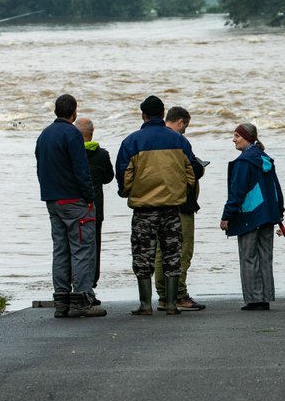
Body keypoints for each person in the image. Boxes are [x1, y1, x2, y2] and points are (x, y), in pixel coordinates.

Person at [115, 95, 195, 316]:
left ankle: (145, 304)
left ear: (143, 115)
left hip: (143, 209)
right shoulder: (179, 141)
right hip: (172, 208)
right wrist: (181, 191)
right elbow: (191, 173)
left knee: (143, 256)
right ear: (162, 114)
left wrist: (128, 192)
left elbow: (123, 175)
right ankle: (170, 304)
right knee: (172, 255)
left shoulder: (132, 141)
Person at [34, 94, 106, 318]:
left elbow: (40, 165)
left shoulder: (44, 135)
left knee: (61, 250)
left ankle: (61, 301)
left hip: (52, 200)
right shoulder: (73, 134)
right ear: (73, 112)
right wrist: (89, 197)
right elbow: (80, 169)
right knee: (82, 249)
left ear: (56, 111)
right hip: (75, 201)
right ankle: (82, 301)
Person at [220, 123, 284, 311]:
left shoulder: (244, 162)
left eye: (237, 136)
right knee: (265, 256)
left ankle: (255, 299)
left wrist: (226, 216)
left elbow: (237, 192)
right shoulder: (265, 158)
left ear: (247, 138)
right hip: (268, 214)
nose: (234, 139)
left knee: (248, 256)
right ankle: (264, 297)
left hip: (249, 215)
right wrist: (279, 211)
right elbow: (276, 188)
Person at [153, 106, 207, 312]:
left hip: (157, 202)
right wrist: (200, 168)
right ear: (180, 122)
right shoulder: (179, 140)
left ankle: (163, 295)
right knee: (182, 250)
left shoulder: (149, 138)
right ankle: (179, 294)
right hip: (181, 203)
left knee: (160, 251)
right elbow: (192, 168)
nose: (185, 130)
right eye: (186, 126)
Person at [75, 117, 114, 299]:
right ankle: (91, 284)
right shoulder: (101, 155)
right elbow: (108, 178)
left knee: (73, 247)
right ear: (92, 133)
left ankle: (74, 285)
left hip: (73, 206)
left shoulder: (71, 154)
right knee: (94, 246)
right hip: (95, 207)